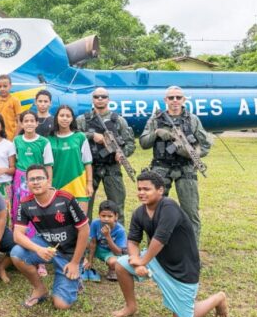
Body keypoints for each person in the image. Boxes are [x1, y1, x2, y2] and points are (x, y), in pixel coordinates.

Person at [113, 171, 228, 317]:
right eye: (139, 189)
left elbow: (160, 239)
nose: (141, 193)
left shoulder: (169, 207)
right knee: (120, 265)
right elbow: (133, 241)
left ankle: (218, 298)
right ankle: (130, 306)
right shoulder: (139, 213)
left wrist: (142, 261)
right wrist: (136, 261)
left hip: (182, 269)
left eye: (146, 189)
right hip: (156, 259)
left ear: (160, 190)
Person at [139, 86, 211, 245]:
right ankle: (154, 251)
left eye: (178, 97)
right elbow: (143, 142)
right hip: (160, 168)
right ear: (165, 100)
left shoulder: (192, 119)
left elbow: (206, 145)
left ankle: (191, 252)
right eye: (171, 98)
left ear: (184, 100)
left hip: (186, 169)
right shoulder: (156, 119)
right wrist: (156, 132)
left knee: (190, 212)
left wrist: (190, 152)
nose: (175, 101)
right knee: (155, 209)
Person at [10, 164, 89, 310]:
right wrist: (38, 249)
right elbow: (17, 235)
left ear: (48, 180)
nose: (36, 182)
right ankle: (39, 289)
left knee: (61, 305)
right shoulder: (26, 203)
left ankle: (76, 277)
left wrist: (75, 262)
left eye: (40, 178)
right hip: (47, 245)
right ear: (27, 184)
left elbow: (84, 231)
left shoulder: (66, 199)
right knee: (16, 253)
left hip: (69, 254)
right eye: (31, 179)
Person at [76, 87, 136, 223]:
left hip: (112, 167)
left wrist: (122, 153)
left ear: (108, 99)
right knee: (85, 205)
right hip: (90, 167)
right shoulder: (82, 120)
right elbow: (74, 137)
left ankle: (117, 238)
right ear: (93, 99)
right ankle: (86, 239)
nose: (100, 99)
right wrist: (91, 135)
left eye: (103, 96)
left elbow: (130, 143)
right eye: (97, 97)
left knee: (117, 205)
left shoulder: (118, 120)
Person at [49, 105, 93, 215]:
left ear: (72, 118)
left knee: (81, 223)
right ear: (56, 118)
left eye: (68, 116)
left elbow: (87, 163)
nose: (64, 118)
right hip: (57, 187)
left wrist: (89, 184)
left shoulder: (80, 137)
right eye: (62, 115)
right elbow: (47, 166)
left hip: (79, 186)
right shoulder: (49, 139)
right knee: (60, 224)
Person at [12, 111, 53, 229]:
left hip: (38, 178)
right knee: (19, 206)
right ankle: (19, 233)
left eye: (32, 121)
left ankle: (36, 234)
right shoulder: (17, 140)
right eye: (26, 121)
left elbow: (48, 165)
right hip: (20, 179)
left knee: (37, 205)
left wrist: (49, 183)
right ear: (22, 124)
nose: (29, 124)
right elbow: (14, 161)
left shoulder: (44, 142)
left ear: (37, 123)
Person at [83, 200, 127, 282]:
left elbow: (118, 252)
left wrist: (108, 236)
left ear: (116, 216)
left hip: (111, 252)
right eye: (103, 216)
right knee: (82, 240)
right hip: (97, 248)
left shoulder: (120, 230)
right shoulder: (95, 223)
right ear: (99, 215)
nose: (106, 219)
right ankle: (83, 263)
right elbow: (93, 242)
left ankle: (112, 270)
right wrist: (90, 261)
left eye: (110, 216)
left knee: (114, 262)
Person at [0, 75, 22, 140]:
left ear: (10, 86)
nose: (2, 89)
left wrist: (15, 137)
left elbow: (20, 122)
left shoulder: (15, 101)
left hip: (10, 136)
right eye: (0, 86)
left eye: (5, 86)